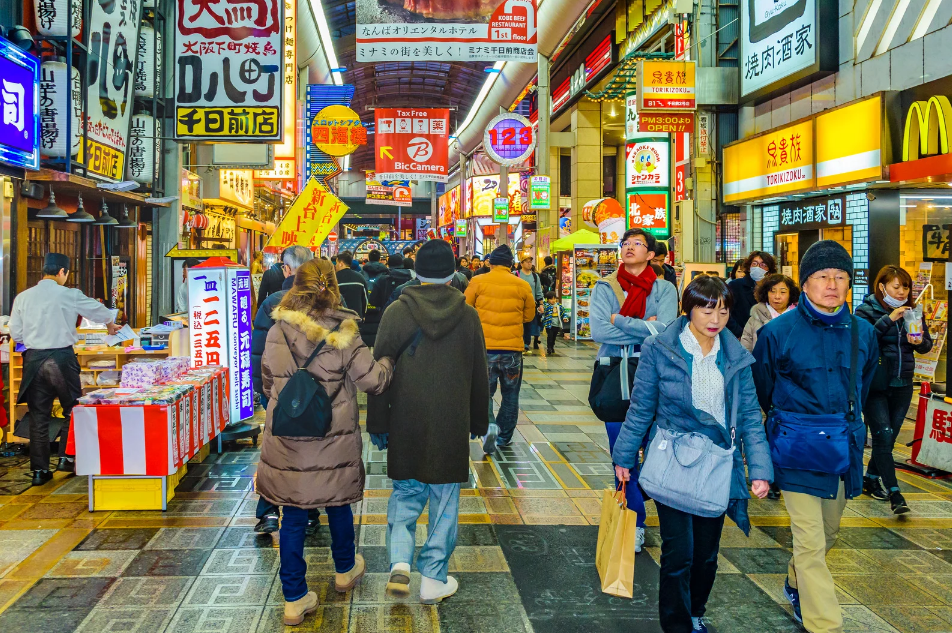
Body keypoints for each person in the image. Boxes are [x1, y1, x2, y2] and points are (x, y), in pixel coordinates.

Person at [613, 275, 773, 633]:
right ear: (689, 309)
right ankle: (677, 625)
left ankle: (696, 610)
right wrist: (624, 458)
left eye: (723, 309)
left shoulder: (735, 357)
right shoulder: (660, 349)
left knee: (705, 556)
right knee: (678, 553)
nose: (715, 318)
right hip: (673, 457)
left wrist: (759, 469)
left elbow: (749, 416)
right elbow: (641, 408)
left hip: (716, 464)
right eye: (706, 308)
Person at [258, 259, 394, 627]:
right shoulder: (344, 330)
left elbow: (268, 382)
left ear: (295, 284)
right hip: (332, 437)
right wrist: (388, 360)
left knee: (293, 515)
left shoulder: (278, 327)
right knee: (337, 504)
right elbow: (372, 381)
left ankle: (294, 599)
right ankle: (346, 570)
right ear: (333, 287)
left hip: (287, 436)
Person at [752, 241, 879, 633]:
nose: (832, 285)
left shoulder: (865, 332)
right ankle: (825, 624)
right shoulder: (777, 332)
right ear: (804, 285)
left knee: (828, 533)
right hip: (795, 446)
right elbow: (763, 387)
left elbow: (865, 383)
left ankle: (795, 580)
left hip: (841, 448)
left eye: (840, 277)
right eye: (822, 277)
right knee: (809, 541)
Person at [366, 240, 489, 604]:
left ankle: (400, 562)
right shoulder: (467, 315)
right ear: (454, 272)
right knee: (444, 499)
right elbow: (478, 374)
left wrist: (377, 424)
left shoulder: (395, 313)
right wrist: (478, 422)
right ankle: (433, 578)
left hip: (406, 419)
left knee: (405, 494)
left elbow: (379, 375)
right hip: (450, 422)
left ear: (415, 272)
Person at [590, 228, 678, 552]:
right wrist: (645, 326)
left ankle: (657, 506)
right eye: (625, 244)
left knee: (655, 451)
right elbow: (599, 329)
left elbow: (667, 330)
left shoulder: (665, 289)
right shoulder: (604, 286)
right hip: (614, 375)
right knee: (621, 454)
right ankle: (634, 520)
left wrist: (621, 320)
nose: (628, 248)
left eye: (636, 244)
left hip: (655, 375)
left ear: (651, 254)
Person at [9, 253, 121, 485]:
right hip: (61, 357)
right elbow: (101, 312)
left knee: (39, 415)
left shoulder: (23, 297)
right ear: (62, 272)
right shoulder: (69, 294)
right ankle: (66, 457)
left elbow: (16, 333)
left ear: (44, 272)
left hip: (34, 359)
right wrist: (110, 324)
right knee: (74, 408)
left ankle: (39, 472)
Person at [251, 246, 320, 534]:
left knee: (276, 451)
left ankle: (268, 511)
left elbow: (259, 353)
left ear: (288, 270)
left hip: (278, 390)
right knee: (310, 451)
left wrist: (263, 391)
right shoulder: (324, 303)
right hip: (315, 393)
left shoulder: (272, 303)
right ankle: (310, 510)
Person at [855, 265, 933, 514]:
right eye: (896, 286)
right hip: (876, 383)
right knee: (883, 434)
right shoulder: (865, 311)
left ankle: (871, 477)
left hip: (903, 383)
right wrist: (889, 320)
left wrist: (920, 341)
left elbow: (925, 346)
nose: (901, 292)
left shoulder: (914, 312)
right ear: (882, 287)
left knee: (889, 437)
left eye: (905, 287)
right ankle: (896, 493)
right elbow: (863, 341)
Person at [465, 244, 535, 453]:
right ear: (510, 264)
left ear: (491, 262)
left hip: (484, 349)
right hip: (512, 351)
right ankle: (504, 438)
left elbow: (466, 308)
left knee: (484, 392)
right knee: (511, 394)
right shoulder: (522, 285)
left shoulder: (477, 281)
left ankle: (489, 427)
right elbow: (529, 316)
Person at [740, 274, 799, 353]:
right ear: (766, 293)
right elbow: (745, 348)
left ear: (790, 294)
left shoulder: (799, 318)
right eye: (772, 291)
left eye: (783, 292)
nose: (777, 296)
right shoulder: (755, 318)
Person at [726, 251, 777, 338]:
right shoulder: (735, 285)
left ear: (769, 271)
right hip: (740, 336)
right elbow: (725, 313)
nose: (758, 267)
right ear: (749, 267)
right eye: (754, 264)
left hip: (765, 337)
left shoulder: (773, 289)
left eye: (763, 265)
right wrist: (740, 333)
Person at [360, 249, 391, 347]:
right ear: (379, 259)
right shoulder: (386, 273)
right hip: (381, 311)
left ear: (368, 258)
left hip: (365, 311)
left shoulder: (361, 272)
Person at [516, 256, 544, 353]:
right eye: (527, 262)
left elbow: (538, 291)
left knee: (528, 324)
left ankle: (526, 344)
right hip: (517, 304)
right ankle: (518, 342)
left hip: (531, 305)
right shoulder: (516, 274)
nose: (529, 264)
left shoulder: (535, 276)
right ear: (521, 263)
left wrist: (541, 304)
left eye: (530, 262)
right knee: (518, 324)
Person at [335, 250, 369, 321]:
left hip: (339, 318)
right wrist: (363, 315)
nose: (335, 265)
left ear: (341, 263)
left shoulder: (334, 278)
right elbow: (365, 298)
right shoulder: (360, 277)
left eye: (336, 263)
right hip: (356, 317)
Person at [542, 291, 565, 356]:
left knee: (554, 336)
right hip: (549, 324)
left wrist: (565, 317)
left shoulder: (559, 306)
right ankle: (549, 348)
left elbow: (563, 313)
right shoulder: (546, 306)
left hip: (557, 324)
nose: (553, 300)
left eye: (554, 299)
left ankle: (552, 347)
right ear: (547, 299)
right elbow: (542, 312)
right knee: (550, 336)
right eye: (551, 299)